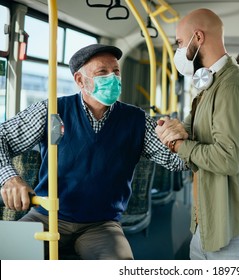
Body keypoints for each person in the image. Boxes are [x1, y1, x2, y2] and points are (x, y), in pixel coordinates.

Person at [0, 44, 187, 260]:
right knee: (8, 257)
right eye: (102, 73)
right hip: (46, 216)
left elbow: (177, 162)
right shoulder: (52, 112)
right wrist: (9, 177)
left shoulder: (137, 120)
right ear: (80, 81)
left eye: (116, 71)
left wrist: (180, 137)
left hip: (101, 224)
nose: (113, 78)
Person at [156, 8, 239, 260]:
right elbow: (189, 129)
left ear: (197, 38)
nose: (178, 51)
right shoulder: (210, 82)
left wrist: (178, 145)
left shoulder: (234, 85)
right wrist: (173, 130)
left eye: (179, 43)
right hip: (208, 222)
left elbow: (227, 159)